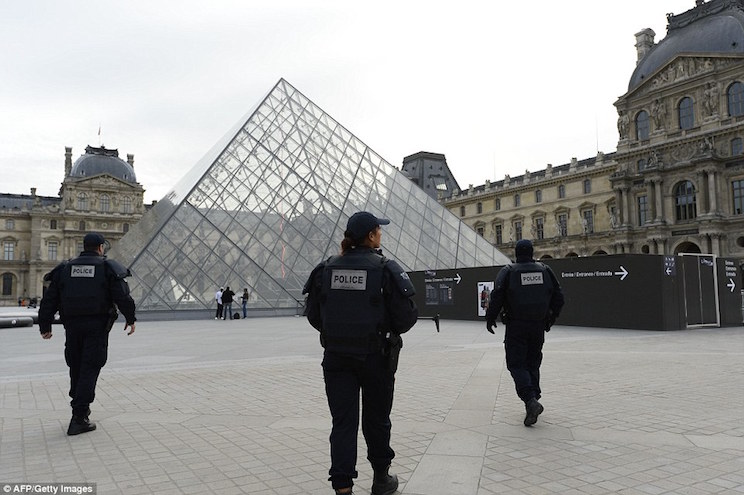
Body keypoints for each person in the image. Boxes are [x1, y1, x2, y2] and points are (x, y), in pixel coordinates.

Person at [303, 211, 418, 495]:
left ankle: (342, 486)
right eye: (379, 230)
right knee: (377, 420)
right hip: (375, 357)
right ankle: (381, 478)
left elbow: (314, 315)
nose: (381, 234)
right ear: (370, 236)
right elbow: (406, 318)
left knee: (343, 422)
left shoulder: (325, 269)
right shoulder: (385, 269)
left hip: (336, 357)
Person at [38, 232, 136, 436]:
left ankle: (78, 404)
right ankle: (79, 416)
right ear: (101, 247)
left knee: (75, 365)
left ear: (84, 246)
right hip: (97, 326)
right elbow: (123, 297)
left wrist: (45, 325)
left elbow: (49, 299)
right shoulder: (108, 268)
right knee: (90, 366)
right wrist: (130, 318)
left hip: (72, 326)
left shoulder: (65, 268)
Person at [485, 239, 564, 427]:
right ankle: (534, 396)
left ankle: (530, 400)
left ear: (516, 253)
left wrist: (490, 318)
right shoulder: (545, 270)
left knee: (516, 364)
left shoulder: (508, 271)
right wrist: (551, 318)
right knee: (533, 362)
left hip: (516, 325)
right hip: (538, 325)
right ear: (532, 252)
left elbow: (497, 297)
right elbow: (559, 297)